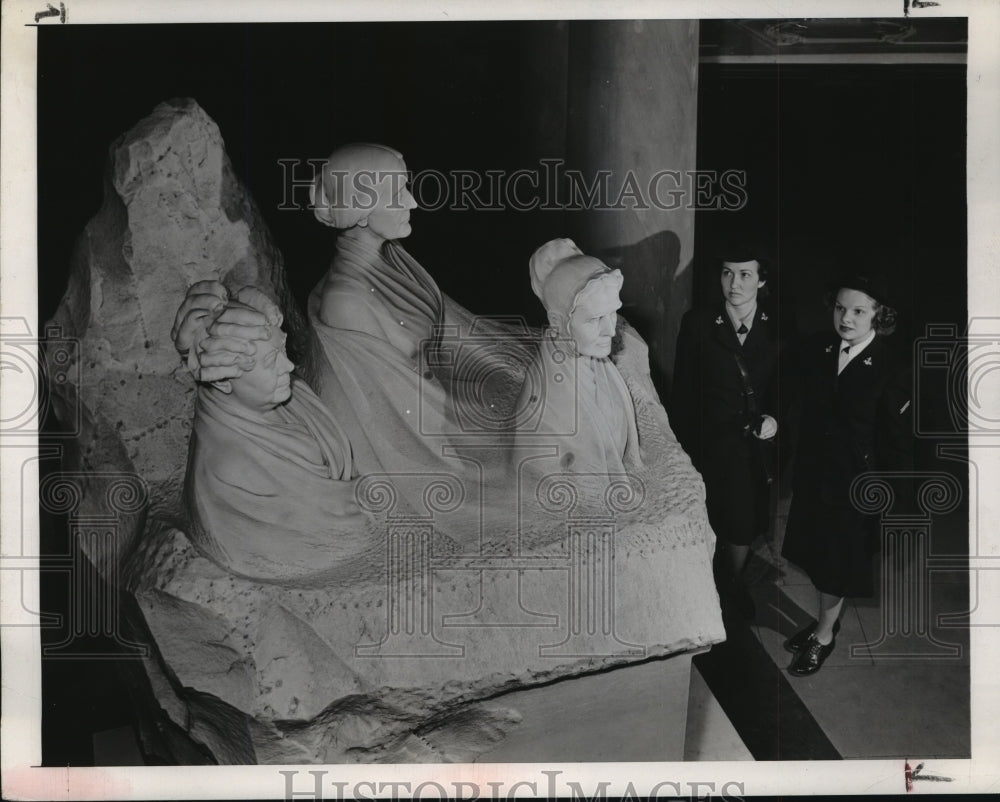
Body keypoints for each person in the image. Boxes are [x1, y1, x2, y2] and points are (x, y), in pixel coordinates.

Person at [183, 290, 370, 584]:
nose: (289, 366)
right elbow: (342, 533)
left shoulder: (297, 398)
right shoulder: (227, 470)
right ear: (221, 381)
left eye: (282, 351)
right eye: (271, 361)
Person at [781, 274, 911, 676]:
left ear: (879, 315)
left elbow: (898, 442)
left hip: (856, 485)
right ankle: (824, 621)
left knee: (835, 563)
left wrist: (896, 499)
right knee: (817, 555)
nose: (846, 318)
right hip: (815, 474)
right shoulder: (821, 347)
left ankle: (823, 636)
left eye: (858, 311)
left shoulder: (891, 366)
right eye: (840, 308)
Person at [670, 248, 779, 617]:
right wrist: (680, 450)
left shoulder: (777, 325)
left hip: (752, 447)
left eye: (745, 275)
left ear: (762, 279)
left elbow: (787, 388)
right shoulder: (698, 322)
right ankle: (705, 585)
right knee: (707, 514)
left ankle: (731, 583)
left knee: (744, 523)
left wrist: (776, 419)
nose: (735, 284)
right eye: (727, 273)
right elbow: (684, 389)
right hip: (709, 442)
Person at [517, 238, 640, 495]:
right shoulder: (547, 406)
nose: (610, 330)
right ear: (556, 322)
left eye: (612, 313)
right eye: (595, 319)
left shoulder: (596, 361)